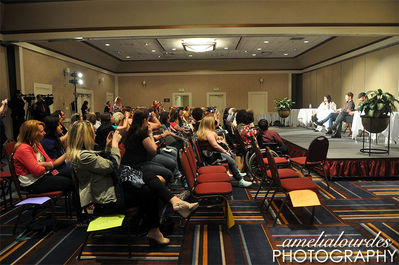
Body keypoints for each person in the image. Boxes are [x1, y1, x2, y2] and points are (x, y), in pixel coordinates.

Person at [66, 121, 198, 246]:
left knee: (149, 182)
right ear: (85, 136)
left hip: (110, 192)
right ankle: (159, 222)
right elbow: (113, 166)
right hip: (105, 202)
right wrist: (115, 145)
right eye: (92, 133)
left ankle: (159, 221)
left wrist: (107, 147)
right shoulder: (82, 156)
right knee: (149, 188)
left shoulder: (84, 154)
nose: (94, 135)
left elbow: (104, 166)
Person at [13, 120, 73, 195]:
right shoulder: (23, 149)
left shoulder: (37, 144)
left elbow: (51, 163)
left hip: (45, 175)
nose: (44, 133)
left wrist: (40, 164)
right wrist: (45, 165)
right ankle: (77, 205)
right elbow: (37, 172)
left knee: (73, 172)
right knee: (70, 182)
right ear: (33, 134)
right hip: (33, 183)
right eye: (41, 132)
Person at [122, 110, 179, 183]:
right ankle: (167, 189)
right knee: (168, 173)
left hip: (135, 163)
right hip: (137, 166)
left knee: (170, 164)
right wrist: (150, 134)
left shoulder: (132, 130)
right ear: (144, 120)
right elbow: (153, 151)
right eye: (148, 120)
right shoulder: (141, 133)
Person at [196, 115, 252, 188]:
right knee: (231, 159)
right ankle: (240, 180)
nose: (215, 124)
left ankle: (236, 173)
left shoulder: (204, 132)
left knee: (231, 155)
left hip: (209, 155)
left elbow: (212, 142)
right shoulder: (209, 133)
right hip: (211, 156)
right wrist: (225, 151)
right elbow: (215, 145)